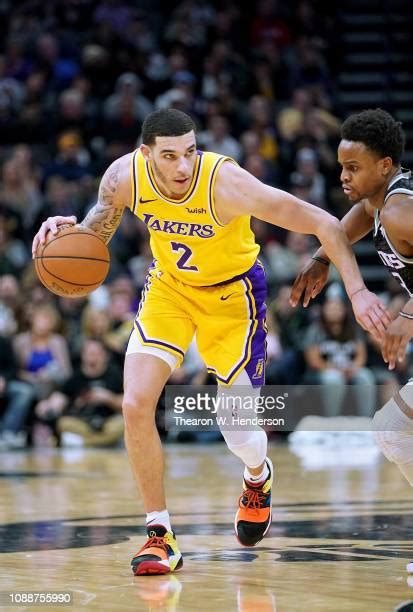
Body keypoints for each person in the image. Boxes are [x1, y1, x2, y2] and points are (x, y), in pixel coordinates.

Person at [32, 108, 389, 576]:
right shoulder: (123, 175)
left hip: (233, 297)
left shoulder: (227, 184)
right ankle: (159, 535)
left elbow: (324, 222)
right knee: (136, 402)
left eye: (191, 152)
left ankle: (257, 478)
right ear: (146, 155)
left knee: (236, 431)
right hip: (169, 290)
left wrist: (358, 291)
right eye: (170, 156)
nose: (183, 166)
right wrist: (68, 232)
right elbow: (98, 228)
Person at [290, 108, 413, 573]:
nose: (342, 175)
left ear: (385, 166)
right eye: (341, 166)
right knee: (391, 429)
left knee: (392, 430)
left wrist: (407, 313)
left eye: (353, 167)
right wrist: (323, 257)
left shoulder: (401, 211)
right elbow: (354, 221)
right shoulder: (379, 202)